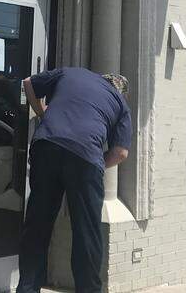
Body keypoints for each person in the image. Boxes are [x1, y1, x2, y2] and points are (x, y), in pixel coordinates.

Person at [16, 67, 131, 293]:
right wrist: (97, 162)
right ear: (121, 91)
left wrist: (42, 113)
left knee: (37, 224)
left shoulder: (71, 73)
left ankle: (27, 288)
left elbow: (28, 82)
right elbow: (120, 153)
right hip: (86, 157)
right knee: (86, 232)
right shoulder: (120, 103)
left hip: (46, 145)